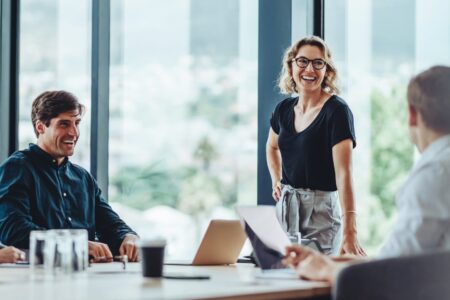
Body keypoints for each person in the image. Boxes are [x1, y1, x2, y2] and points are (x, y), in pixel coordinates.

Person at [283, 65, 450, 283]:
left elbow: (392, 273)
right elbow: (400, 259)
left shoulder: (435, 174)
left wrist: (326, 271)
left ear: (412, 115)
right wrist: (329, 262)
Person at [0, 90, 139, 262]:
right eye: (64, 124)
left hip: (86, 278)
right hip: (36, 279)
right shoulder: (17, 168)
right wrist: (76, 244)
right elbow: (13, 230)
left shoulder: (82, 177)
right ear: (40, 127)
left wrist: (129, 237)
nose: (74, 133)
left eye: (77, 123)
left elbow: (111, 224)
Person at [266, 36, 365, 256]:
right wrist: (276, 179)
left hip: (321, 212)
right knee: (284, 280)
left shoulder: (337, 111)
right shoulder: (283, 109)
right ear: (291, 66)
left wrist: (351, 230)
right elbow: (272, 147)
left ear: (326, 70)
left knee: (317, 284)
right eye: (302, 61)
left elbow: (344, 173)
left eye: (318, 63)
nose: (309, 69)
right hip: (286, 208)